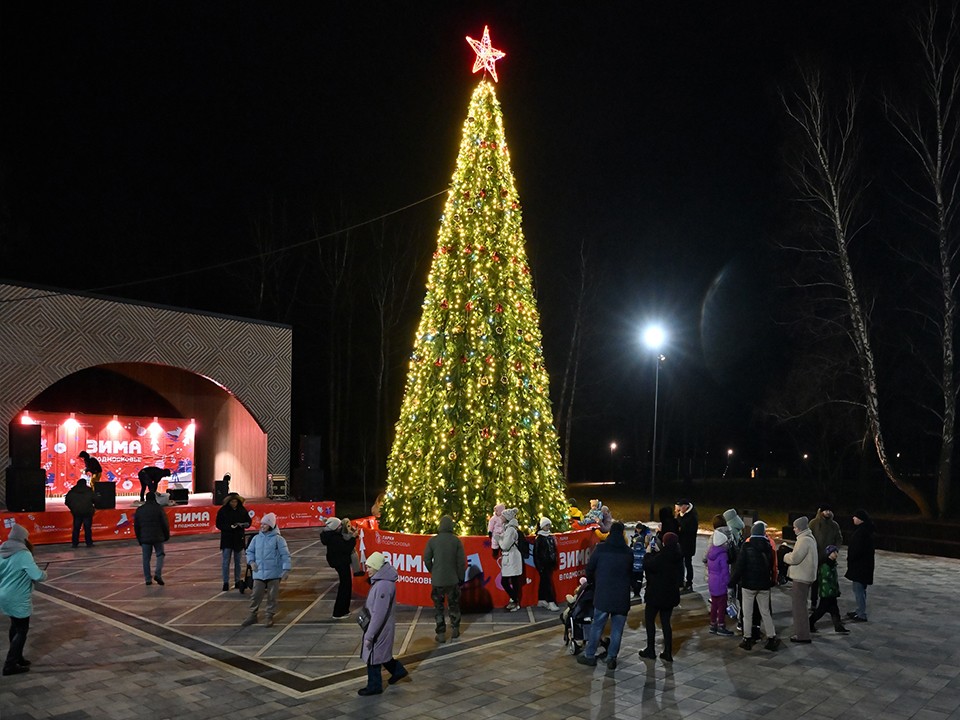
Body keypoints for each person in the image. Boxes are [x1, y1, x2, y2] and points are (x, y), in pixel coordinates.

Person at [576, 521, 633, 670]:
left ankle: (590, 655)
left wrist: (593, 582)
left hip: (603, 595)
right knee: (617, 630)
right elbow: (632, 573)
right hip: (621, 597)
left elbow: (590, 569)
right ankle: (611, 657)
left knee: (597, 626)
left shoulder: (601, 549)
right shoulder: (628, 552)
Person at [357, 552, 409, 696]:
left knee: (373, 657)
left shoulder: (383, 586)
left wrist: (370, 634)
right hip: (382, 628)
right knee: (381, 654)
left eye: (369, 567)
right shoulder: (382, 582)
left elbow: (379, 614)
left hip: (380, 629)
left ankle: (374, 686)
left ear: (377, 567)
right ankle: (398, 670)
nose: (367, 570)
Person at [0, 525, 47, 675]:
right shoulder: (23, 554)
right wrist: (44, 573)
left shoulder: (2, 551)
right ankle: (10, 664)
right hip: (18, 596)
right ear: (23, 538)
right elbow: (37, 575)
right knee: (22, 630)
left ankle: (18, 657)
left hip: (4, 594)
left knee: (15, 626)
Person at [728, 521, 781, 651]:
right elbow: (771, 566)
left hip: (748, 585)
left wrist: (731, 583)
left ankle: (747, 639)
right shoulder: (769, 547)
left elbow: (739, 567)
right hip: (763, 585)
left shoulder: (746, 546)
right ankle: (771, 637)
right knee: (765, 612)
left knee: (747, 613)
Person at [639, 531, 682, 663]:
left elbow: (648, 565)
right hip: (670, 596)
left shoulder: (661, 557)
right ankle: (667, 652)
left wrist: (647, 553)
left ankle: (650, 649)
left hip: (656, 595)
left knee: (650, 621)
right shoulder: (677, 556)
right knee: (666, 623)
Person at [241, 513, 291, 628]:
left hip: (274, 573)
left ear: (271, 525)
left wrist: (286, 569)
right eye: (261, 524)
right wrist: (251, 562)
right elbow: (250, 551)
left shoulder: (279, 539)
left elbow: (285, 555)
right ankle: (253, 615)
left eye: (265, 524)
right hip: (259, 572)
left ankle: (269, 616)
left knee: (272, 596)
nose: (262, 526)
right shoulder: (256, 538)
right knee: (255, 595)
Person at [423, 515, 466, 642]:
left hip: (437, 580)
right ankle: (455, 629)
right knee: (454, 605)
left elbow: (426, 559)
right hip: (453, 580)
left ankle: (441, 633)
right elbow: (461, 562)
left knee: (438, 607)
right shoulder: (456, 541)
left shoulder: (433, 541)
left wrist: (433, 571)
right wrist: (461, 577)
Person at [782, 516, 817, 643]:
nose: (794, 530)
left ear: (800, 528)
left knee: (799, 607)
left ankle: (802, 635)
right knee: (802, 605)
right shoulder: (809, 538)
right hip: (807, 577)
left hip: (801, 578)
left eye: (795, 527)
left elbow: (795, 558)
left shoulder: (803, 540)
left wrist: (785, 555)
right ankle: (803, 633)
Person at [319, 517, 355, 619]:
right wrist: (353, 538)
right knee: (345, 586)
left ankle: (344, 610)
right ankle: (339, 612)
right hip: (341, 563)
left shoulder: (331, 536)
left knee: (345, 585)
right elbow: (346, 548)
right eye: (339, 526)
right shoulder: (335, 538)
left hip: (338, 562)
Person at [808, 505, 842, 611]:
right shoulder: (813, 523)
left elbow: (839, 538)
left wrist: (835, 550)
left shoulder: (834, 525)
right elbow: (809, 537)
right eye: (825, 510)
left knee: (827, 580)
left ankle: (826, 603)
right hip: (816, 556)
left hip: (829, 557)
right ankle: (814, 602)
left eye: (829, 510)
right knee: (815, 581)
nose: (827, 513)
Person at [809, 545, 849, 634]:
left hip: (831, 592)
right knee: (821, 610)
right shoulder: (826, 565)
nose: (836, 554)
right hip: (827, 592)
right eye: (834, 552)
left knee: (835, 610)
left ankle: (838, 626)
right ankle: (809, 623)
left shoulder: (832, 564)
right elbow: (826, 579)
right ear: (829, 554)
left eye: (836, 552)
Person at [215, 492, 250, 592]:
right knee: (226, 561)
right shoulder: (223, 511)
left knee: (238, 561)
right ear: (228, 502)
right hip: (227, 538)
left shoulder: (242, 510)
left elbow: (248, 522)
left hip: (238, 538)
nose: (234, 503)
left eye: (235, 501)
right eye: (232, 501)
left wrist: (242, 525)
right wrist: (229, 527)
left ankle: (237, 581)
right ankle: (225, 582)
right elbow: (218, 524)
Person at [844, 508, 875, 622]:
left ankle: (861, 613)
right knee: (861, 589)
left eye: (855, 517)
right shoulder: (865, 531)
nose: (853, 518)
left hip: (860, 566)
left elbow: (857, 550)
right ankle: (859, 610)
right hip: (864, 566)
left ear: (860, 519)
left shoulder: (862, 533)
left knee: (858, 590)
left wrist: (851, 558)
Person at [134, 492, 170, 585]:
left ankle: (148, 579)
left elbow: (136, 526)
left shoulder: (140, 509)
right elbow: (164, 524)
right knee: (160, 555)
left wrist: (139, 539)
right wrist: (166, 536)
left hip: (145, 537)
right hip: (158, 537)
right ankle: (158, 573)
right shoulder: (159, 509)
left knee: (146, 559)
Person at [706, 529, 735, 636]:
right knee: (722, 605)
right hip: (721, 583)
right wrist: (728, 584)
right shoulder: (723, 555)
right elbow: (725, 572)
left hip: (712, 582)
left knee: (714, 604)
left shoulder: (711, 553)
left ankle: (713, 624)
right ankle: (721, 625)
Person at [497, 508, 523, 611]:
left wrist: (498, 539)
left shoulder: (510, 530)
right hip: (511, 558)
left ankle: (515, 600)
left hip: (512, 558)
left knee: (507, 581)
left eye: (502, 516)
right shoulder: (508, 528)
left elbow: (505, 546)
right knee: (513, 580)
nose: (501, 518)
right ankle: (514, 601)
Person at [533, 517, 559, 611]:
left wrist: (554, 560)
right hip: (543, 565)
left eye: (549, 525)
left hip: (549, 564)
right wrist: (539, 566)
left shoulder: (550, 537)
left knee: (544, 582)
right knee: (547, 583)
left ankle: (541, 599)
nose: (548, 527)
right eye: (546, 525)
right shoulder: (539, 538)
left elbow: (553, 550)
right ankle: (550, 601)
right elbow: (536, 554)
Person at [64, 477, 95, 548]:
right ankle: (89, 543)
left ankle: (75, 543)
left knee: (76, 528)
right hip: (87, 512)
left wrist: (72, 508)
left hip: (76, 513)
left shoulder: (72, 491)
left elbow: (67, 501)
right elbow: (95, 500)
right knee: (87, 528)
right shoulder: (89, 491)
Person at [676, 499, 698, 592]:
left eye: (681, 506)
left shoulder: (692, 516)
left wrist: (681, 528)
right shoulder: (681, 515)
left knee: (688, 562)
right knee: (680, 563)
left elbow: (688, 528)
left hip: (688, 543)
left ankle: (689, 582)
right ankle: (680, 581)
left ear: (686, 506)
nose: (680, 509)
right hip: (681, 543)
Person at [630, 523, 653, 598]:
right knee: (639, 580)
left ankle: (635, 589)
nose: (637, 530)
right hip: (640, 569)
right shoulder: (644, 552)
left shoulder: (632, 551)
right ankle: (638, 591)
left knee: (633, 579)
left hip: (633, 569)